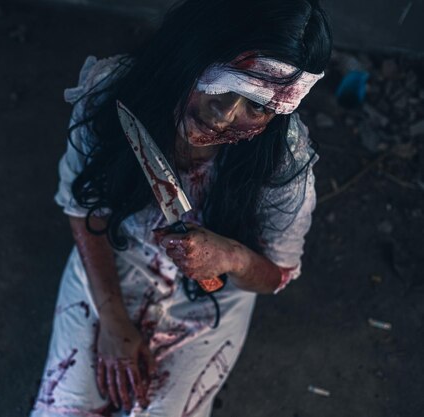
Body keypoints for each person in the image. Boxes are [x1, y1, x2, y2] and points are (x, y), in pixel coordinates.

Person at [30, 0, 332, 416]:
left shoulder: (284, 163)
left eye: (258, 106)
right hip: (115, 258)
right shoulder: (113, 93)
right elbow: (82, 207)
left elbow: (274, 275)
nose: (225, 116)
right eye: (226, 84)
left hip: (215, 296)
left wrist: (230, 256)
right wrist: (113, 320)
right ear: (194, 51)